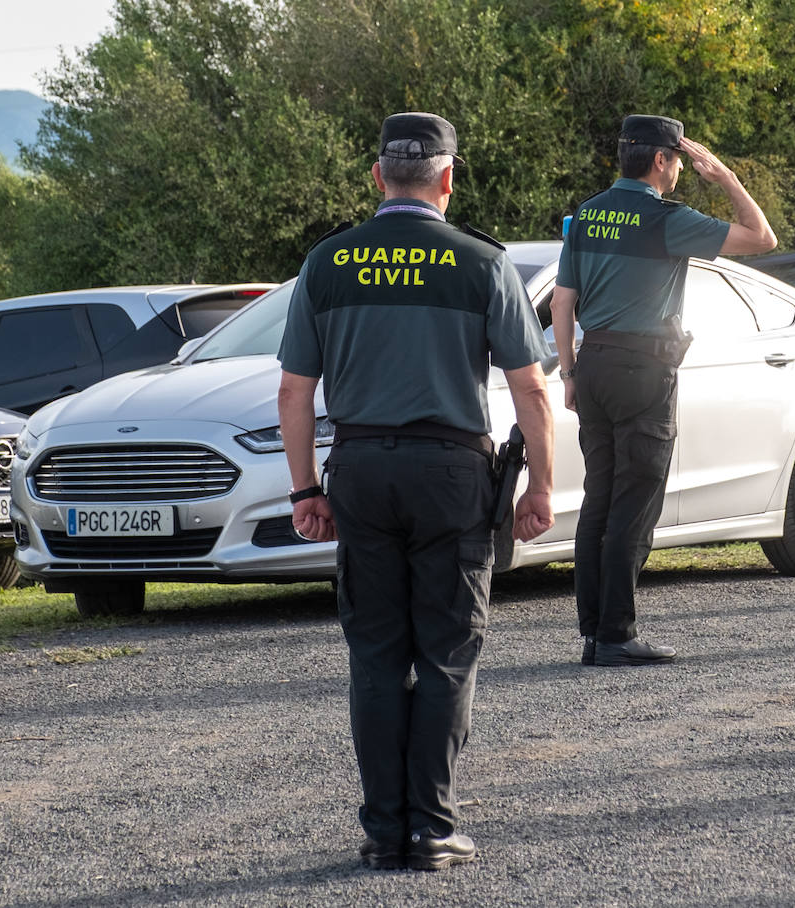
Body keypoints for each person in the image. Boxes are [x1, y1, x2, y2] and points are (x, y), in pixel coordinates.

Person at [277, 112, 556, 871]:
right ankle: (432, 829)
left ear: (377, 178)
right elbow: (530, 388)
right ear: (448, 178)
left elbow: (294, 395)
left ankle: (381, 831)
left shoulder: (327, 264)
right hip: (450, 475)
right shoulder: (481, 262)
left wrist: (306, 488)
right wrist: (541, 486)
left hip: (361, 470)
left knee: (374, 654)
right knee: (445, 653)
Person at [550, 114, 776, 667]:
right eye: (677, 160)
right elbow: (762, 237)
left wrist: (571, 372)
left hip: (595, 364)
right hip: (644, 370)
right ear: (660, 160)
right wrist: (723, 176)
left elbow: (561, 302)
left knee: (599, 500)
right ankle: (617, 634)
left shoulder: (586, 215)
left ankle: (593, 633)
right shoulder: (665, 219)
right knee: (636, 501)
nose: (679, 170)